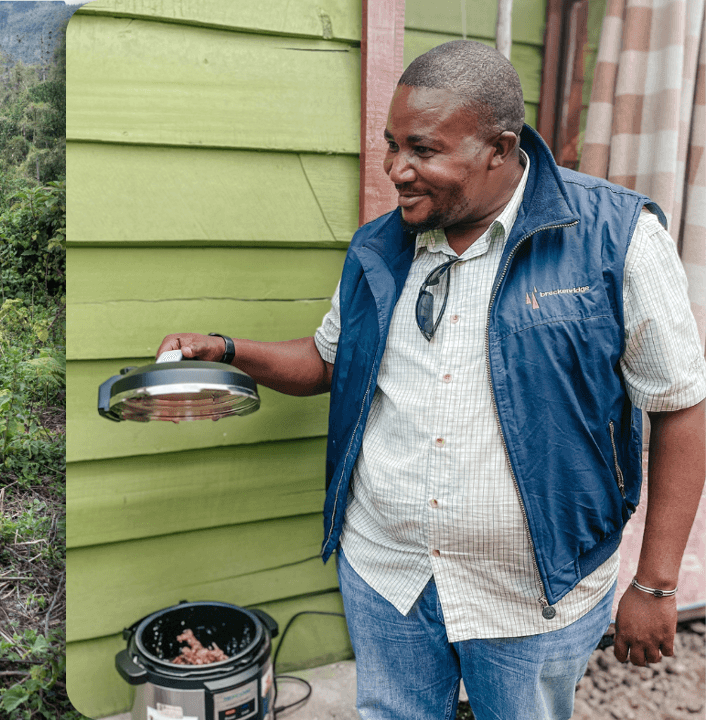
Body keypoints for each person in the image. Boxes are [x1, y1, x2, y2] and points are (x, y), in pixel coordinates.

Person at [159, 40, 706, 719]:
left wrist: (654, 583)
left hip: (534, 591)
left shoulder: (614, 237)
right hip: (389, 574)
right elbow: (330, 362)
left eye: (423, 150)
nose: (396, 169)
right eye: (391, 145)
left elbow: (680, 404)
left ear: (499, 150)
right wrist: (229, 348)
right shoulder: (378, 248)